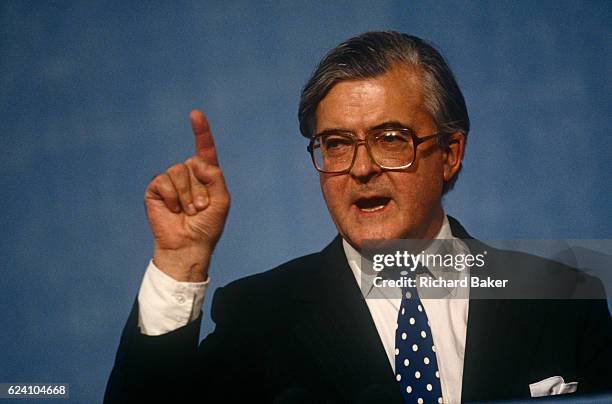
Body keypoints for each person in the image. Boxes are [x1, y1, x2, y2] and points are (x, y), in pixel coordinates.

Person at [105, 31, 611, 403]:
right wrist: (181, 261)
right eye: (337, 144)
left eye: (391, 139)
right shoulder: (260, 317)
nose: (362, 168)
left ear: (451, 152)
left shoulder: (560, 298)